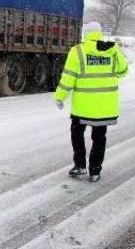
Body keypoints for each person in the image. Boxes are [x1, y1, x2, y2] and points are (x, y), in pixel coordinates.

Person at [54, 21, 128, 182]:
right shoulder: (112, 49)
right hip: (105, 107)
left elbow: (68, 78)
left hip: (83, 107)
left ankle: (80, 165)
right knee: (99, 138)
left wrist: (60, 97)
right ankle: (95, 170)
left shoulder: (78, 51)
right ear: (99, 33)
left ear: (85, 34)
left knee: (77, 133)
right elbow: (123, 70)